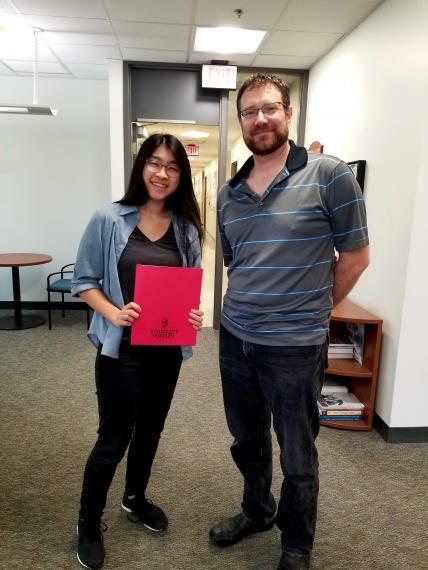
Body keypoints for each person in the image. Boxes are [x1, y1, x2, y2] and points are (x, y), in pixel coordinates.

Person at [210, 74, 369, 570]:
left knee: (297, 455)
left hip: (295, 346)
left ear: (288, 114)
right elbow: (238, 263)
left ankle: (296, 545)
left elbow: (356, 257)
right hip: (236, 339)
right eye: (250, 111)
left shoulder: (329, 174)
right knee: (246, 438)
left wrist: (315, 310)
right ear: (240, 121)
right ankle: (257, 510)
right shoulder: (229, 193)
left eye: (270, 108)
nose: (260, 118)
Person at [71, 133, 204, 570]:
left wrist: (193, 317)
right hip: (121, 350)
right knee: (114, 438)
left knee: (151, 430)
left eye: (172, 166)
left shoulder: (186, 228)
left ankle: (135, 497)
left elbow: (189, 288)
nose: (162, 173)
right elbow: (84, 281)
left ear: (180, 175)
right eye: (154, 162)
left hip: (165, 349)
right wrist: (112, 312)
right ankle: (88, 523)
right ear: (140, 165)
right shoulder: (108, 218)